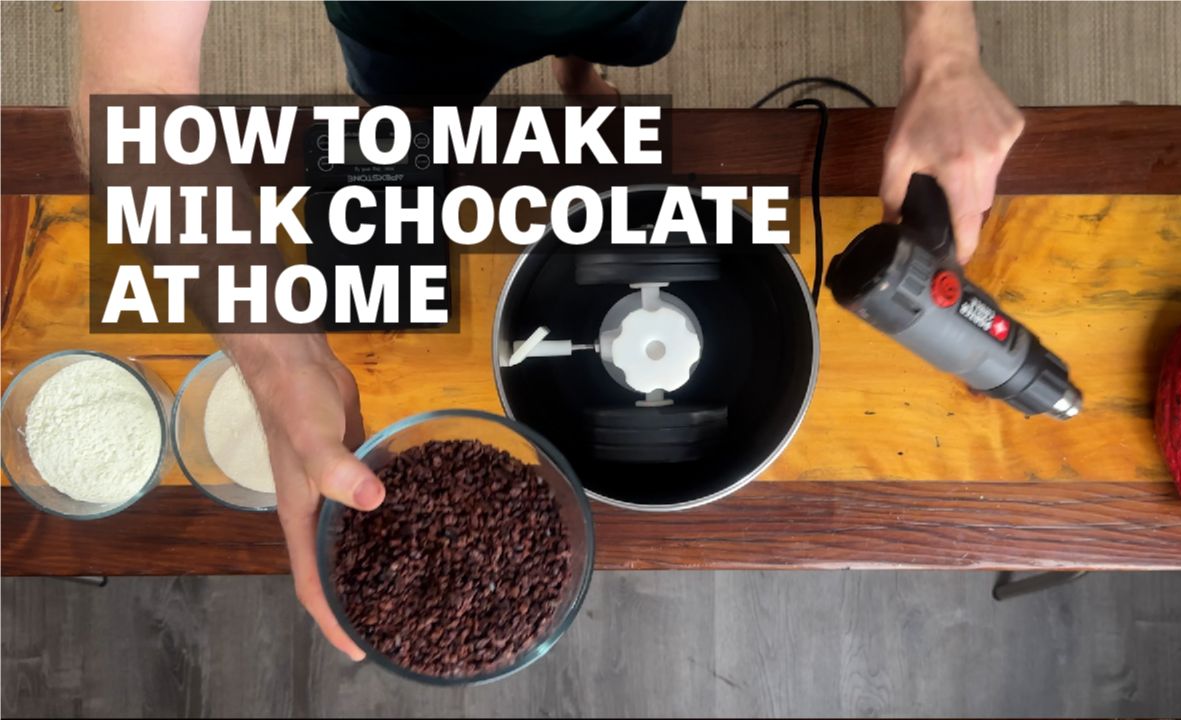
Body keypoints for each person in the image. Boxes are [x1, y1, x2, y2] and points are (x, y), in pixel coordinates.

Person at [74, 1, 1024, 661]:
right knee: (408, 106)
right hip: (410, 20)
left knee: (618, 31)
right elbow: (129, 93)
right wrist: (280, 363)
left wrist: (944, 46)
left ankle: (581, 70)